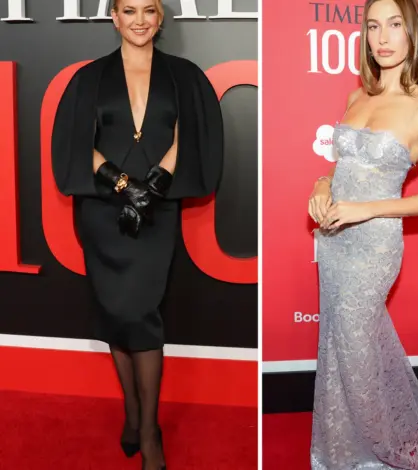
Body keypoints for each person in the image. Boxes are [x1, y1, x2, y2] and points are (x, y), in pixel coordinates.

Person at [306, 0, 418, 467]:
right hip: (334, 239)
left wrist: (365, 209)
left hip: (374, 246)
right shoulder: (356, 97)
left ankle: (375, 448)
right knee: (339, 341)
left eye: (394, 25)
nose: (382, 37)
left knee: (356, 343)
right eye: (373, 26)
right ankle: (342, 444)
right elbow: (342, 166)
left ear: (412, 34)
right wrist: (322, 185)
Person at [51, 1, 223, 468]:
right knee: (115, 312)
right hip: (103, 212)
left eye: (149, 10)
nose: (140, 20)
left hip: (156, 212)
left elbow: (190, 136)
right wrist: (125, 186)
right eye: (130, 10)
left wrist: (154, 188)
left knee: (141, 313)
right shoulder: (89, 78)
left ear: (161, 17)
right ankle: (132, 412)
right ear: (114, 17)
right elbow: (75, 142)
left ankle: (149, 431)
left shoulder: (183, 76)